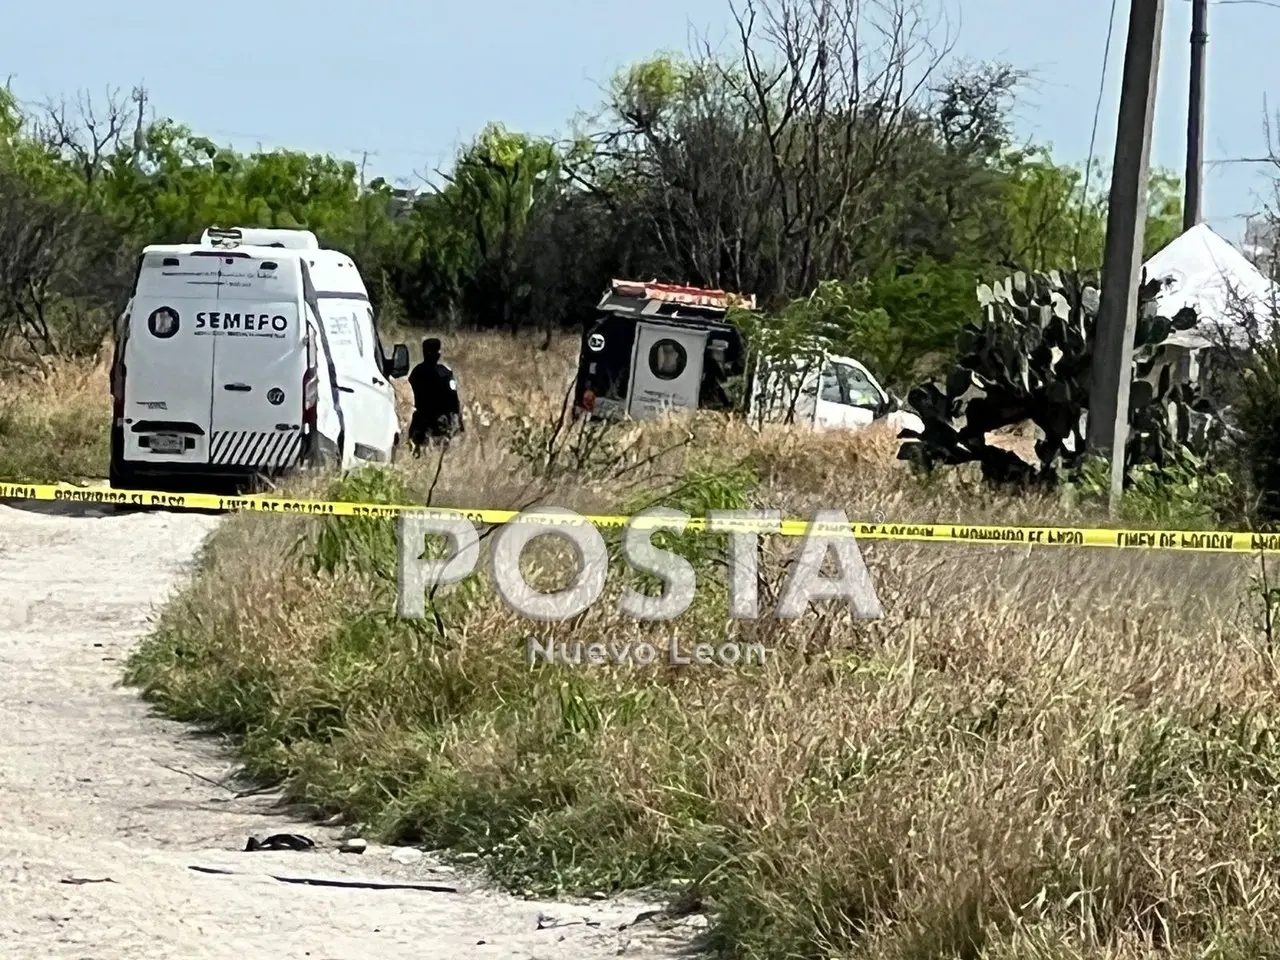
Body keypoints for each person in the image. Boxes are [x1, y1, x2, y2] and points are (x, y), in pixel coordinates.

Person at [407, 338, 464, 454]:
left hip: (421, 419)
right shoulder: (445, 372)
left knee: (417, 450)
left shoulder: (417, 372)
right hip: (439, 420)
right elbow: (453, 397)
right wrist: (459, 418)